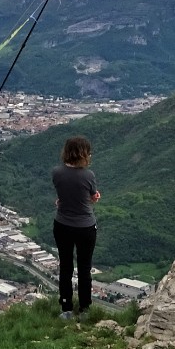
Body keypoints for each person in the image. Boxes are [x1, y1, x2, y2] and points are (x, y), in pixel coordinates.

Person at [52, 135, 100, 319]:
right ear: (83, 154)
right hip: (85, 227)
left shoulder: (57, 172)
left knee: (65, 266)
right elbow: (91, 197)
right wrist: (93, 198)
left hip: (62, 224)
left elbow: (64, 195)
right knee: (84, 268)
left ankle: (66, 308)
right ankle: (85, 309)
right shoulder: (88, 175)